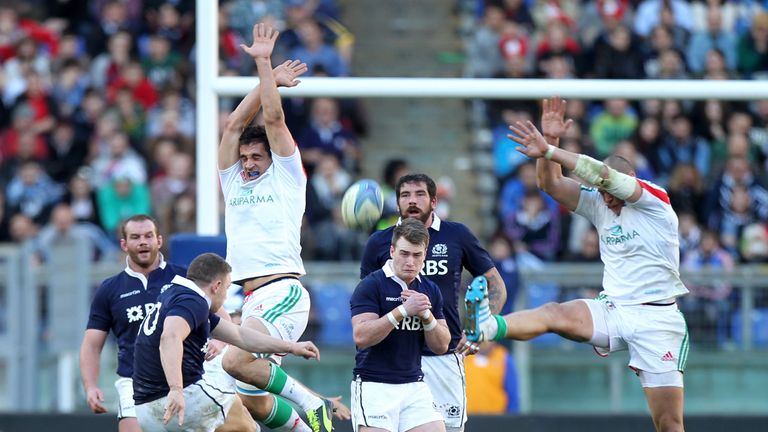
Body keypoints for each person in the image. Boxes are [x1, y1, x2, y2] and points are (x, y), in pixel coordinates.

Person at [465, 97, 689, 432]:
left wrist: (552, 152)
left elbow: (601, 174)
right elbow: (550, 184)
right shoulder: (600, 202)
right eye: (601, 192)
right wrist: (549, 144)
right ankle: (486, 328)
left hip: (658, 318)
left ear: (628, 180)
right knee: (555, 313)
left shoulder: (654, 200)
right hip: (614, 308)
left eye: (609, 189)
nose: (605, 197)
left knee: (669, 424)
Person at [216, 23, 344, 432]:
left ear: (273, 158)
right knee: (253, 399)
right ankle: (310, 427)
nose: (250, 163)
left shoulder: (287, 176)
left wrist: (264, 64)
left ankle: (312, 404)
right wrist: (265, 81)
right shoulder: (234, 178)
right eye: (246, 157)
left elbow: (272, 117)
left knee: (234, 361)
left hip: (281, 291)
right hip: (248, 297)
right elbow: (234, 125)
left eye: (257, 156)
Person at [78, 214, 253, 432]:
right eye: (135, 237)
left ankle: (308, 417)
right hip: (136, 383)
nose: (143, 241)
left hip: (188, 377)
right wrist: (90, 386)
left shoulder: (183, 277)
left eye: (148, 236)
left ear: (159, 241)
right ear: (124, 244)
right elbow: (92, 344)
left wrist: (219, 342)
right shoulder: (110, 289)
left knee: (250, 416)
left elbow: (222, 319)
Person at [360, 173, 506, 432]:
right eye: (405, 195)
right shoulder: (379, 242)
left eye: (420, 194)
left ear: (434, 201)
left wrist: (479, 331)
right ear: (397, 204)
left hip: (443, 355)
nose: (412, 201)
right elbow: (366, 300)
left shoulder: (457, 235)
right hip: (392, 359)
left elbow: (495, 285)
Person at [132, 252, 321, 431]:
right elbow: (170, 337)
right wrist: (175, 389)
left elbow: (240, 336)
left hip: (144, 410)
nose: (225, 296)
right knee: (248, 426)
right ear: (217, 286)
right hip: (182, 399)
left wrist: (292, 347)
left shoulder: (176, 296)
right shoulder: (194, 302)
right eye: (227, 288)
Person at [350, 218, 451, 432]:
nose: (410, 262)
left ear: (425, 255)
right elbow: (361, 336)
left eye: (417, 255)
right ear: (392, 251)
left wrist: (426, 316)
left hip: (414, 384)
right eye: (404, 254)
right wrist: (403, 311)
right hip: (374, 385)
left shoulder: (430, 289)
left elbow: (442, 345)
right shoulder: (371, 284)